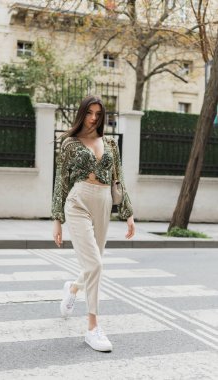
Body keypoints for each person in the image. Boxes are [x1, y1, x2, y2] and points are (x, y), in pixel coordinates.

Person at [52, 95, 135, 352]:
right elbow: (61, 182)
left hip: (103, 202)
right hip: (78, 201)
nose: (93, 118)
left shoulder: (110, 143)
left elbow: (118, 180)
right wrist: (57, 220)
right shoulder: (69, 143)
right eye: (89, 112)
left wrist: (128, 213)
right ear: (82, 113)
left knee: (94, 261)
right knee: (96, 263)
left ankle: (74, 287)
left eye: (98, 114)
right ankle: (93, 327)